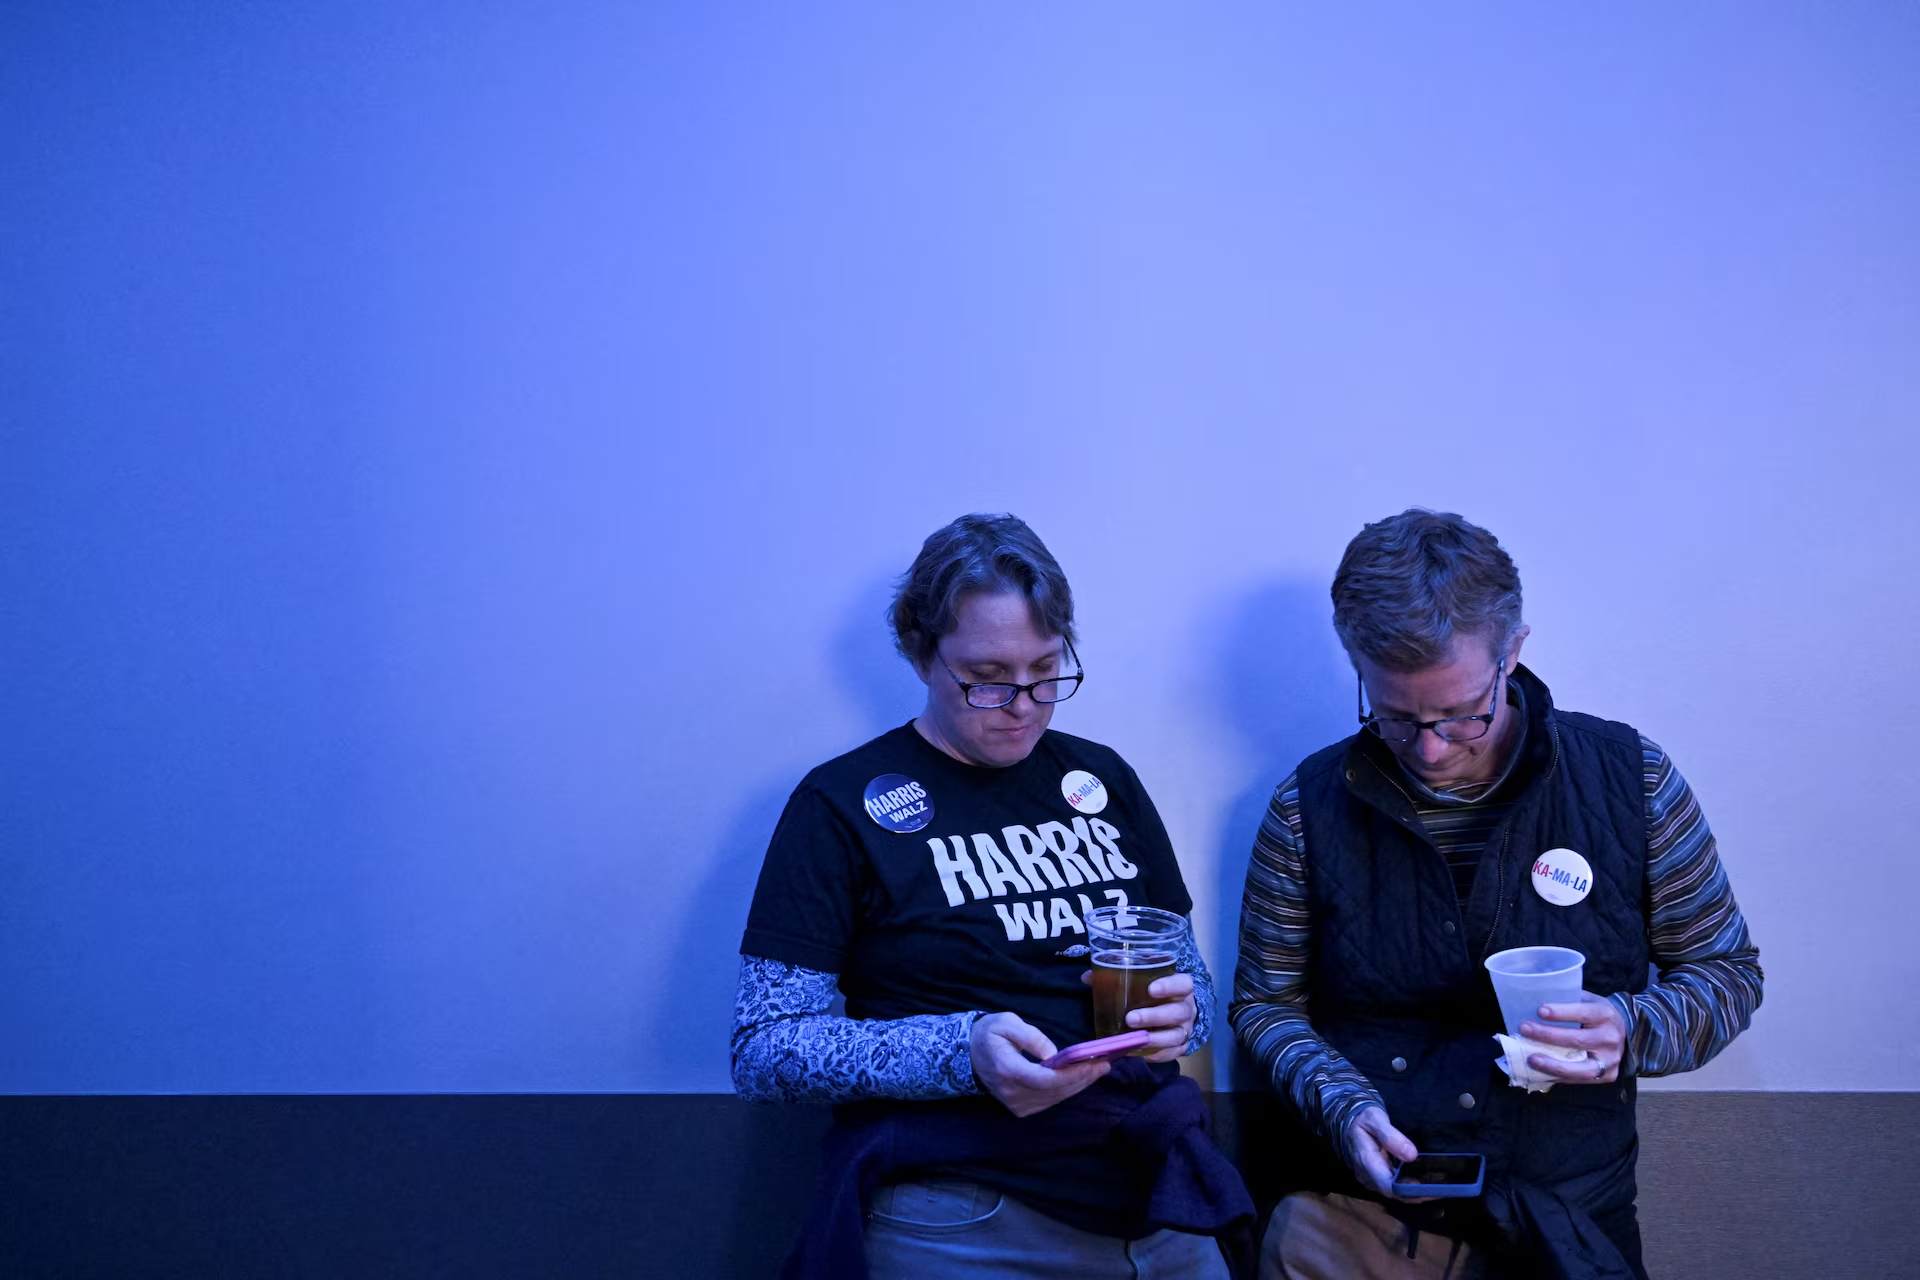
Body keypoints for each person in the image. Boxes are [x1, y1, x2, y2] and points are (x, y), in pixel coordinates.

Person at [1230, 509, 1763, 1279]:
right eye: (1394, 716)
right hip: (1368, 1217)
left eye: (1460, 715)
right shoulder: (1305, 808)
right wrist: (1339, 1103)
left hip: (1572, 1221)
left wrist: (1629, 1027)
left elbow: (1726, 974)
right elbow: (1264, 1005)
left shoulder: (1631, 778)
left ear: (1512, 651)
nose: (1429, 748)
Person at [733, 513, 1253, 1279]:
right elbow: (765, 1048)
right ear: (921, 654)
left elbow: (1189, 985)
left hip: (1154, 1187)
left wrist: (1183, 1013)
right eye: (988, 678)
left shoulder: (1103, 779)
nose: (1024, 703)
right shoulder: (839, 805)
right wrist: (962, 1052)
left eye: (1046, 670)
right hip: (963, 1209)